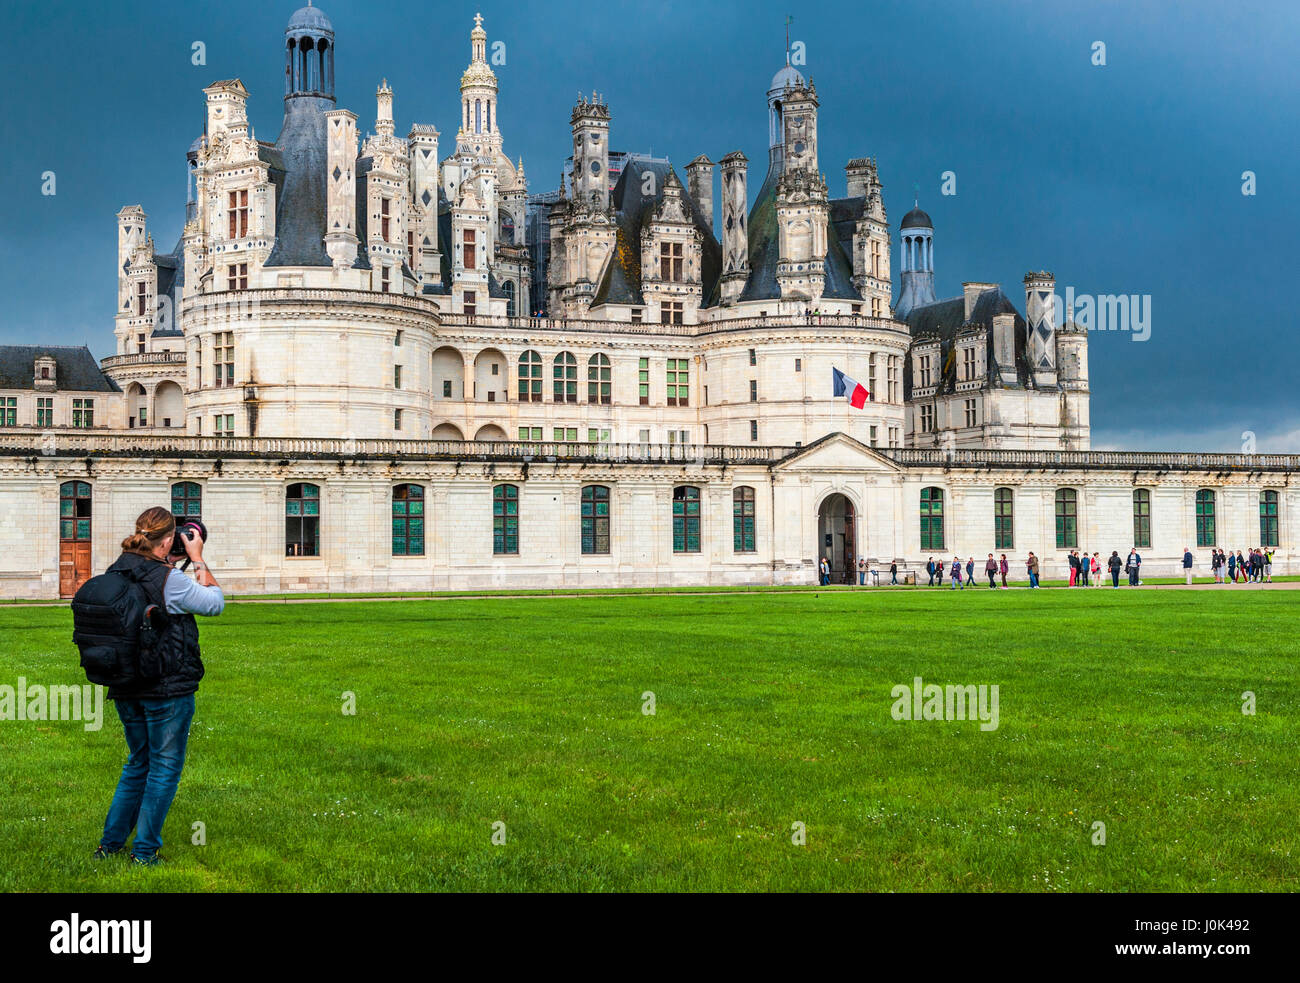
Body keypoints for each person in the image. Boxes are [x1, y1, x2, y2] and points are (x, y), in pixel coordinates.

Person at [96, 507, 224, 866]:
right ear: (168, 540)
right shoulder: (171, 580)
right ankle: (145, 852)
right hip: (166, 686)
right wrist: (197, 559)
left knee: (138, 763)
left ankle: (110, 846)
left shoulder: (116, 571)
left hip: (125, 683)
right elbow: (215, 604)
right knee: (164, 767)